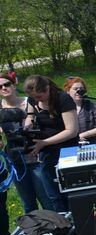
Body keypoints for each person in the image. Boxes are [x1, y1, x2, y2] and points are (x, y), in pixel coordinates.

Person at [22, 76, 78, 212]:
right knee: (54, 196)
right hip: (46, 151)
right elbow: (30, 116)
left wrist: (44, 142)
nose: (37, 100)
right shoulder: (33, 99)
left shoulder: (63, 99)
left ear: (47, 89)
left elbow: (72, 131)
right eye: (33, 97)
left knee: (70, 194)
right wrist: (28, 126)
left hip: (67, 150)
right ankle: (63, 225)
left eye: (39, 96)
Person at [1, 73, 34, 222]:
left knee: (48, 198)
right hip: (15, 158)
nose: (3, 88)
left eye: (7, 84)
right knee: (28, 201)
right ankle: (35, 230)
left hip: (35, 153)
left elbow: (33, 122)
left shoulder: (29, 102)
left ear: (14, 85)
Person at [63, 77, 96, 144]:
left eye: (81, 89)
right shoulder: (62, 107)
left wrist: (82, 135)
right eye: (75, 89)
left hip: (90, 142)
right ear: (68, 91)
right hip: (69, 144)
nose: (79, 91)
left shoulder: (91, 105)